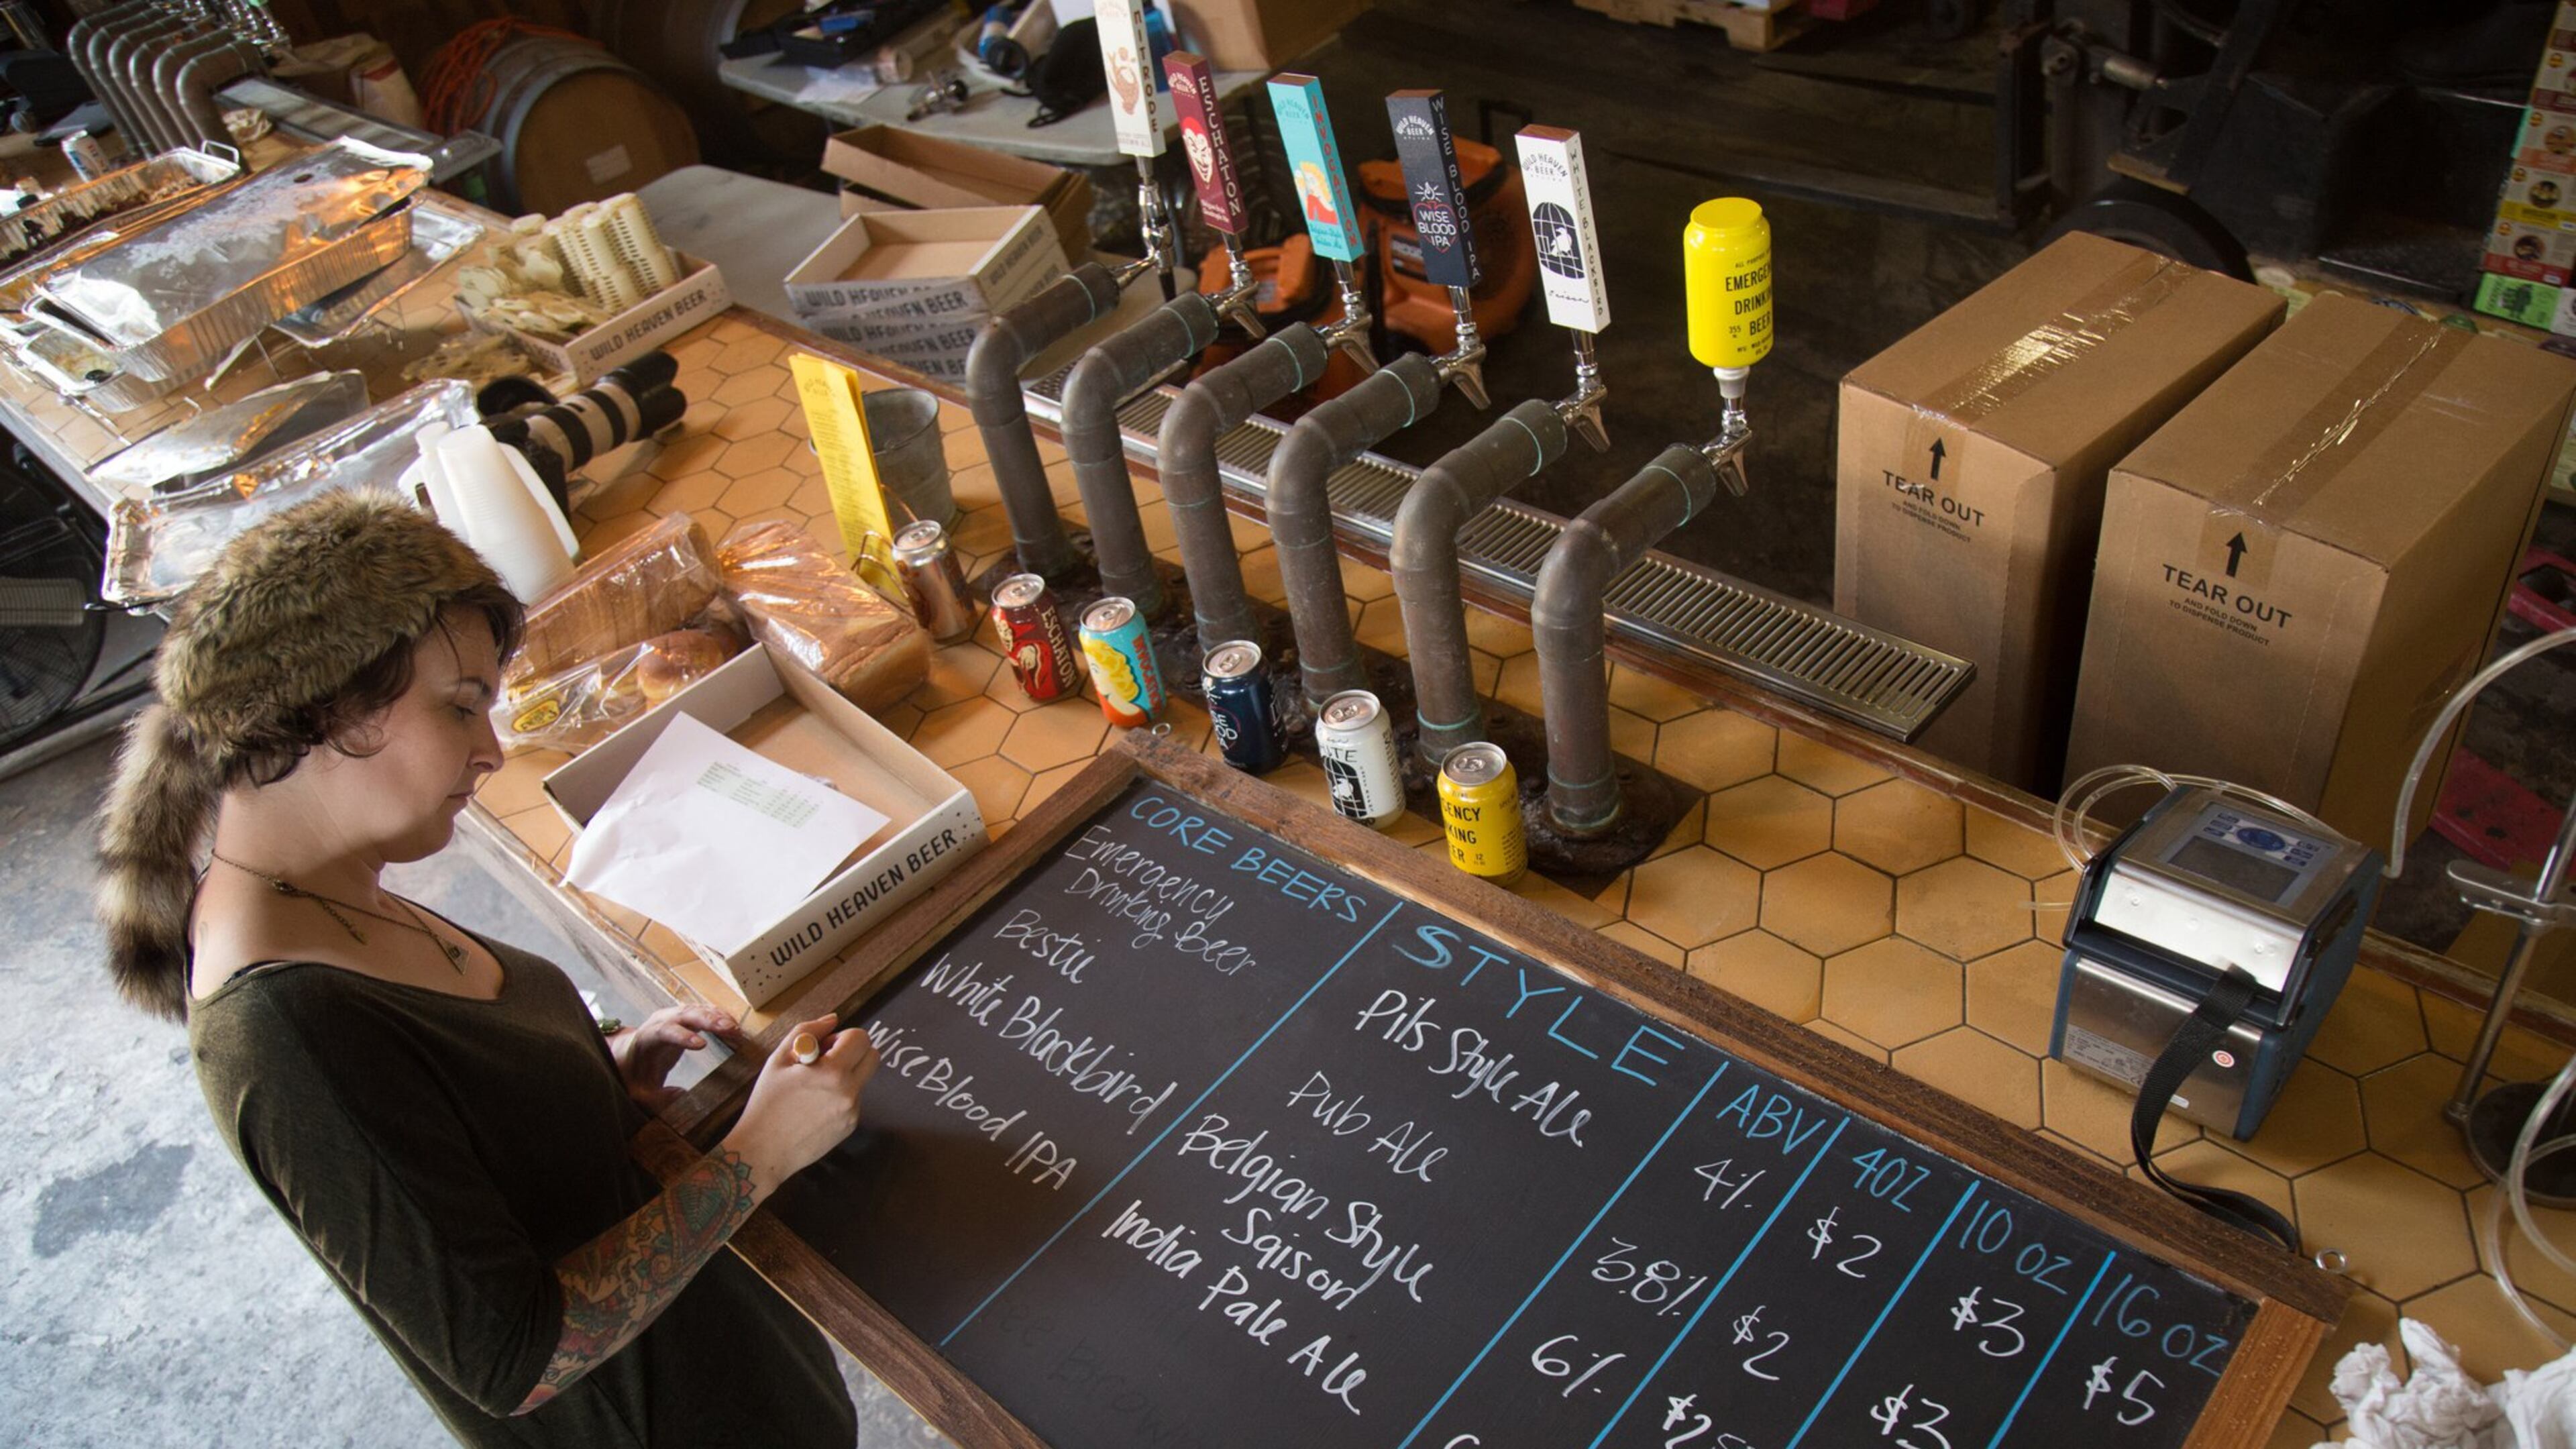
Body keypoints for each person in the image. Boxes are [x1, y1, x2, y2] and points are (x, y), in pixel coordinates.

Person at [94, 491, 879, 1447]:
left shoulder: (333, 883)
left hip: (737, 1369)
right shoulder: (286, 1037)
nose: (492, 749)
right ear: (333, 710)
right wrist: (759, 1156)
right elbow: (514, 1355)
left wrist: (590, 1077)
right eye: (461, 707)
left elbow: (456, 1130)